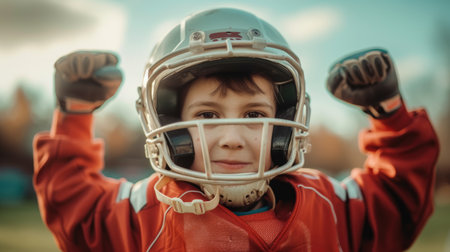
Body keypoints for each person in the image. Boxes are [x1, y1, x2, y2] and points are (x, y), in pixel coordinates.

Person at [33, 7, 439, 252]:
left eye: (253, 116)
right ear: (171, 127)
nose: (231, 137)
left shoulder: (329, 206)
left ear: (285, 128)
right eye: (208, 117)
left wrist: (390, 115)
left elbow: (398, 200)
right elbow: (75, 210)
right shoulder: (145, 211)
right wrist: (75, 113)